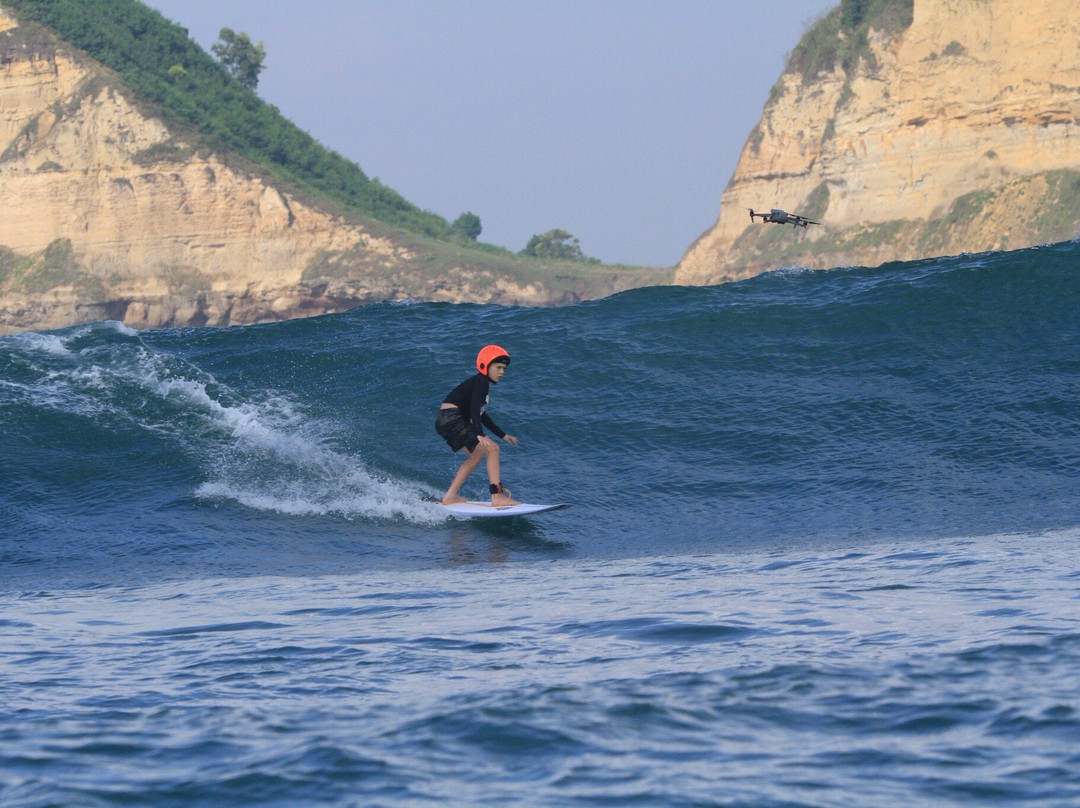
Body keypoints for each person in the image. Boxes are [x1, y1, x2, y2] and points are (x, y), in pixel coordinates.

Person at [435, 345, 520, 506]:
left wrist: (502, 435)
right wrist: (480, 434)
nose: (502, 372)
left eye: (504, 369)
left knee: (476, 456)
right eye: (498, 367)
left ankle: (450, 496)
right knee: (493, 449)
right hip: (453, 418)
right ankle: (497, 496)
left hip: (444, 420)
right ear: (485, 365)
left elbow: (481, 414)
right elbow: (474, 409)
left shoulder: (478, 384)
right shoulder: (481, 382)